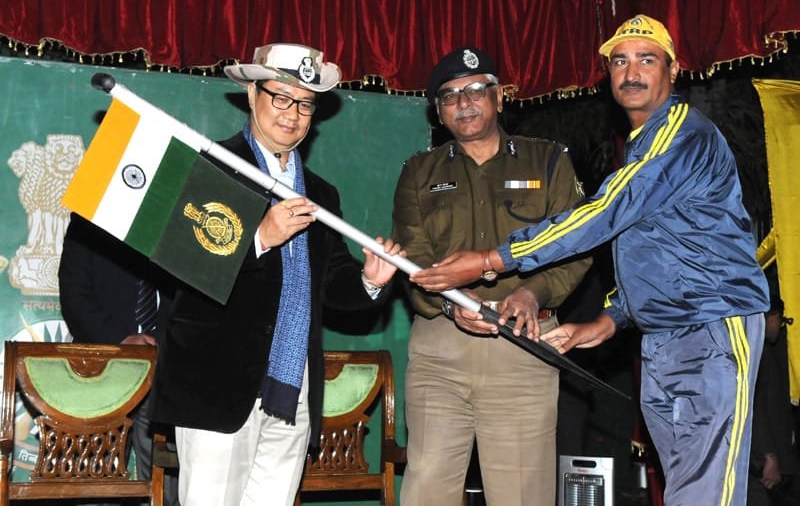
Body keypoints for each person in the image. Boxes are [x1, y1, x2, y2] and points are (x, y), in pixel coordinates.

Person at [410, 15, 770, 506]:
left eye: (647, 59)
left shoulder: (682, 134)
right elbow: (658, 247)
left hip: (710, 326)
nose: (631, 72)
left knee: (709, 489)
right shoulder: (644, 144)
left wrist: (491, 259)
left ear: (674, 70)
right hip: (662, 334)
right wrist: (608, 319)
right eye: (619, 61)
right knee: (686, 483)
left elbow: (606, 211)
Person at [150, 43, 404, 506]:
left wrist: (371, 280)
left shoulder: (321, 194)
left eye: (306, 103)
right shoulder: (211, 166)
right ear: (252, 94)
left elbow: (333, 283)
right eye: (280, 97)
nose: (293, 113)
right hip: (217, 387)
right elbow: (182, 269)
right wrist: (259, 240)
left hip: (293, 389)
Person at [392, 46, 590, 506]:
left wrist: (530, 291)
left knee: (522, 494)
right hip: (441, 347)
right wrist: (452, 303)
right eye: (450, 95)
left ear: (500, 98)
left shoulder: (548, 161)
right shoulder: (418, 172)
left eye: (477, 89)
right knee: (425, 492)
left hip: (524, 342)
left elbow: (576, 246)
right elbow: (415, 259)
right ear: (438, 112)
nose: (465, 102)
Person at [59, 213, 180, 506]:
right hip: (102, 368)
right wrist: (120, 342)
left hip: (167, 367)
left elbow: (191, 295)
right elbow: (74, 294)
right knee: (98, 485)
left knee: (170, 486)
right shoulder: (89, 218)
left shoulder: (179, 218)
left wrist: (165, 342)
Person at [748, 294, 800, 505]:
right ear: (772, 317)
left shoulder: (765, 350)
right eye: (781, 321)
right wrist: (769, 455)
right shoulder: (757, 352)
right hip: (765, 463)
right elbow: (756, 407)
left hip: (775, 459)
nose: (780, 328)